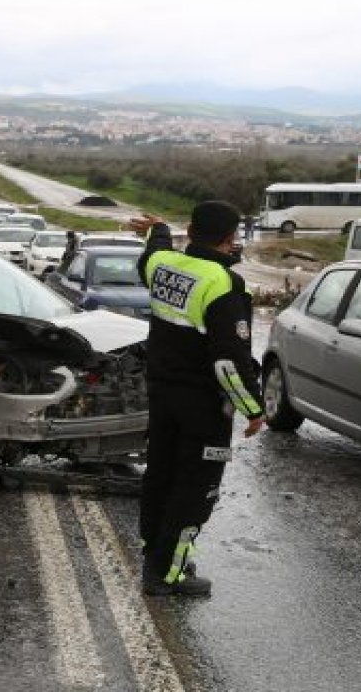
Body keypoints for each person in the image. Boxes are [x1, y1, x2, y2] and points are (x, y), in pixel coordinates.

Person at [128, 201, 266, 597]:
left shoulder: (164, 266)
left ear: (190, 231)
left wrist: (157, 229)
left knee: (161, 476)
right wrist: (253, 409)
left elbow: (152, 254)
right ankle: (166, 574)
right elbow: (228, 362)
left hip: (162, 397)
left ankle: (157, 553)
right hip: (203, 408)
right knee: (196, 490)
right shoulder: (223, 283)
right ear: (230, 239)